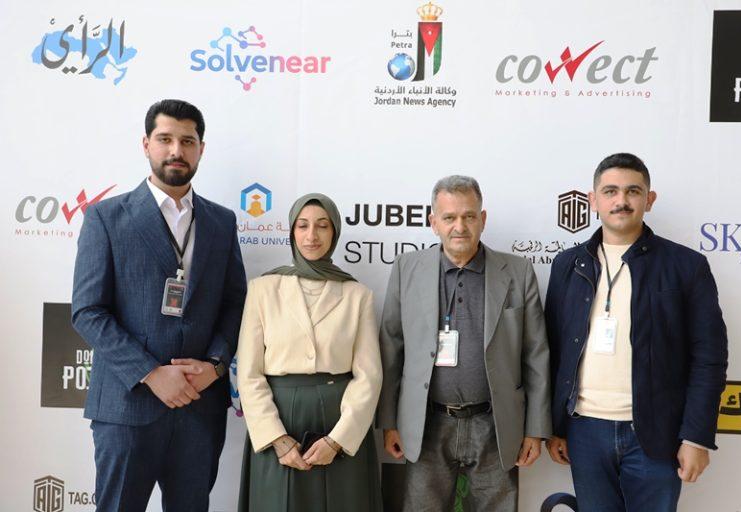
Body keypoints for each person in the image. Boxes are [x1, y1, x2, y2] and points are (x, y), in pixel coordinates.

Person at [71, 99, 247, 511]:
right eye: (165, 139)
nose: (176, 150)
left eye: (187, 141)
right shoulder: (105, 217)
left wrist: (215, 366)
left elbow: (236, 303)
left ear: (201, 149)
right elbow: (88, 311)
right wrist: (151, 374)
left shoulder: (221, 222)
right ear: (146, 144)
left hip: (199, 409)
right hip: (127, 406)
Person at [545, 153, 728, 511]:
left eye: (633, 191)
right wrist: (556, 427)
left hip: (655, 434)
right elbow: (553, 350)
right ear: (592, 200)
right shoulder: (567, 265)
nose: (622, 201)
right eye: (610, 191)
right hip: (585, 431)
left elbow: (709, 357)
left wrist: (696, 437)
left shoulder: (685, 266)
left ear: (649, 199)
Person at [377, 175, 551, 511]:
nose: (460, 226)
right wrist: (389, 422)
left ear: (482, 219)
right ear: (434, 223)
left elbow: (536, 354)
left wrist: (536, 429)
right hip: (426, 424)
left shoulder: (518, 271)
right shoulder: (406, 268)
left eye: (469, 216)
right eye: (449, 217)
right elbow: (391, 348)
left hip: (495, 425)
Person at [237, 193, 383, 512]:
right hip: (278, 422)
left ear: (334, 232)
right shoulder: (263, 289)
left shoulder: (357, 295)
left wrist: (338, 440)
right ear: (292, 232)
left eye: (322, 226)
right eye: (302, 226)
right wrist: (276, 438)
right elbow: (248, 374)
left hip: (339, 422)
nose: (311, 235)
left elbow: (369, 377)